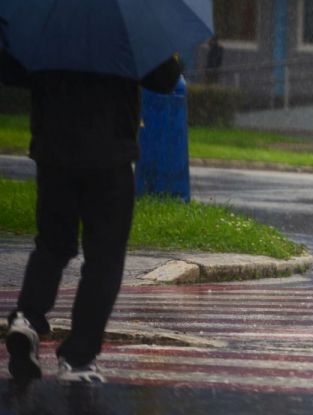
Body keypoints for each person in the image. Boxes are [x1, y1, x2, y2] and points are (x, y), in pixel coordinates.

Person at [1, 49, 181, 383]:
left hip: (53, 149)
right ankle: (78, 358)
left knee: (53, 244)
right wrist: (171, 53)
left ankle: (27, 317)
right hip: (109, 154)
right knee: (105, 258)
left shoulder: (48, 17)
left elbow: (11, 69)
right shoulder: (127, 23)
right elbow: (165, 79)